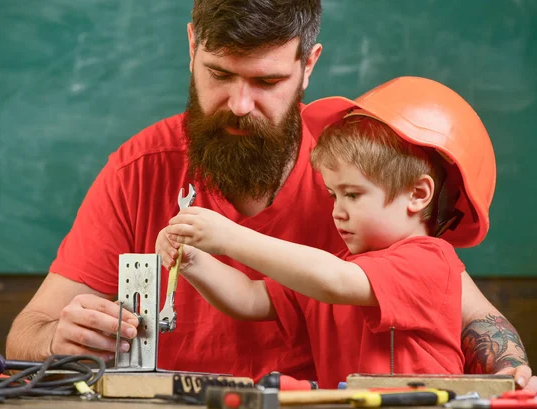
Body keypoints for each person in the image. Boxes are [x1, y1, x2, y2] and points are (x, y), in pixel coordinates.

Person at [6, 0, 535, 389]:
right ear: (191, 47)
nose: (239, 104)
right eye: (219, 74)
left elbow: (472, 316)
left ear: (309, 65)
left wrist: (513, 375)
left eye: (266, 82)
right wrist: (58, 339)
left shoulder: (365, 182)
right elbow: (25, 336)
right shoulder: (138, 170)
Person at [160, 76, 488, 387]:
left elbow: (337, 281)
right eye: (334, 195)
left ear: (418, 195)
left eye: (353, 195)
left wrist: (229, 236)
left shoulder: (429, 262)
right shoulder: (336, 268)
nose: (337, 210)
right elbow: (249, 298)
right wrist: (191, 261)